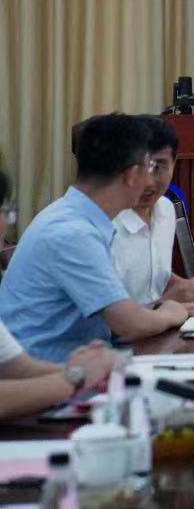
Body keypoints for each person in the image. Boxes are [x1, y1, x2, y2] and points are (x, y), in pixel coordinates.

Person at [0, 113, 189, 361]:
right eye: (149, 167)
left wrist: (162, 309)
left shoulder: (81, 219)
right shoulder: (73, 231)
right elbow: (128, 324)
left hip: (82, 363)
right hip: (47, 375)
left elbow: (116, 315)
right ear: (133, 174)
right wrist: (172, 313)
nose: (150, 180)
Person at [0, 167, 117, 421]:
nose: (5, 225)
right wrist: (77, 377)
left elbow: (19, 369)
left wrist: (88, 369)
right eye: (4, 212)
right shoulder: (69, 229)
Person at [112, 115, 194, 305]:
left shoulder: (167, 209)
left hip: (163, 320)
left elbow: (154, 277)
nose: (148, 181)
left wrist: (190, 286)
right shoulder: (105, 221)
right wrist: (165, 303)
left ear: (174, 164)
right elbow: (110, 317)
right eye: (139, 168)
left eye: (158, 167)